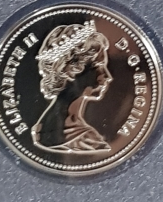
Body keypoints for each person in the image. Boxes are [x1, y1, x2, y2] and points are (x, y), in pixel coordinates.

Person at [31, 20, 113, 153]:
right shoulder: (88, 141)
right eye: (97, 66)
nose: (107, 77)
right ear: (71, 70)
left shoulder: (42, 130)